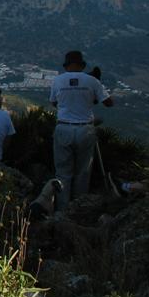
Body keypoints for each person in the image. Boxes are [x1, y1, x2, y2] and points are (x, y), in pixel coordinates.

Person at [49, 50, 113, 209]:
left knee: (63, 172)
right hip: (85, 129)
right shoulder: (92, 81)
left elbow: (54, 103)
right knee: (83, 172)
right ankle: (78, 207)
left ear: (66, 65)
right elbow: (109, 102)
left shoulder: (57, 81)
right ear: (82, 65)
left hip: (64, 127)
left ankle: (61, 209)